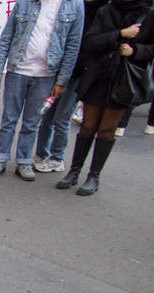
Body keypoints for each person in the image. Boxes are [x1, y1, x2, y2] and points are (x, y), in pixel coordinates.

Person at [57, 0, 154, 194]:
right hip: (98, 77)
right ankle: (74, 171)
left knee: (107, 129)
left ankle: (94, 176)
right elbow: (90, 42)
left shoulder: (148, 15)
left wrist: (135, 51)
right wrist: (120, 34)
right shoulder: (106, 10)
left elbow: (151, 49)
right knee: (88, 126)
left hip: (123, 81)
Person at [0, 0, 84, 181]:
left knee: (32, 122)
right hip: (18, 70)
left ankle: (24, 160)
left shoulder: (74, 5)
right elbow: (7, 36)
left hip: (47, 74)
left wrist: (62, 80)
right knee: (9, 119)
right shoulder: (25, 2)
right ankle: (0, 158)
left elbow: (72, 46)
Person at [34, 0, 109, 173]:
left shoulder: (101, 10)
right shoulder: (73, 4)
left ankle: (57, 158)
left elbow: (84, 44)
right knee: (46, 115)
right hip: (56, 68)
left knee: (62, 117)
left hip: (77, 72)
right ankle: (41, 154)